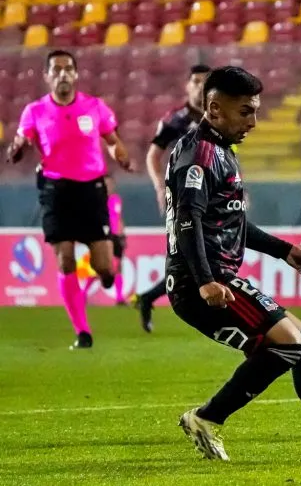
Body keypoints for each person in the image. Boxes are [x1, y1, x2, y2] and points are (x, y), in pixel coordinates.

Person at [165, 66, 301, 460]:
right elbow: (187, 219)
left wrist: (283, 250)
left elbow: (230, 219)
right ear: (214, 109)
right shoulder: (200, 156)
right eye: (246, 111)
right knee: (288, 344)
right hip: (204, 284)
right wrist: (206, 280)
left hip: (215, 278)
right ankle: (207, 417)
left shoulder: (219, 151)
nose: (254, 121)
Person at [5, 50, 134, 349]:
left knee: (104, 266)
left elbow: (112, 141)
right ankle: (82, 331)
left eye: (68, 69)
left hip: (91, 190)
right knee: (65, 260)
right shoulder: (34, 111)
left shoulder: (94, 107)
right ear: (47, 76)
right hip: (56, 190)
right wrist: (18, 147)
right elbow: (22, 141)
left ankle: (107, 277)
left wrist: (121, 156)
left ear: (75, 75)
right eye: (56, 69)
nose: (63, 74)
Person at [133, 64, 211, 332]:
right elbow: (153, 155)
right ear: (188, 86)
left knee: (198, 254)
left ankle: (148, 298)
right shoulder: (176, 119)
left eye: (206, 82)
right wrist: (159, 187)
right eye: (196, 82)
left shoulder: (217, 117)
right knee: (191, 253)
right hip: (182, 196)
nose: (201, 87)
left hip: (211, 195)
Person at [85, 175, 128, 305]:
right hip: (104, 236)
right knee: (102, 268)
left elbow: (119, 218)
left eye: (111, 184)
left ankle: (119, 298)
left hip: (116, 237)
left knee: (118, 267)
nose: (109, 187)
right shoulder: (98, 200)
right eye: (107, 184)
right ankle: (83, 294)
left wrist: (123, 235)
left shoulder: (116, 199)